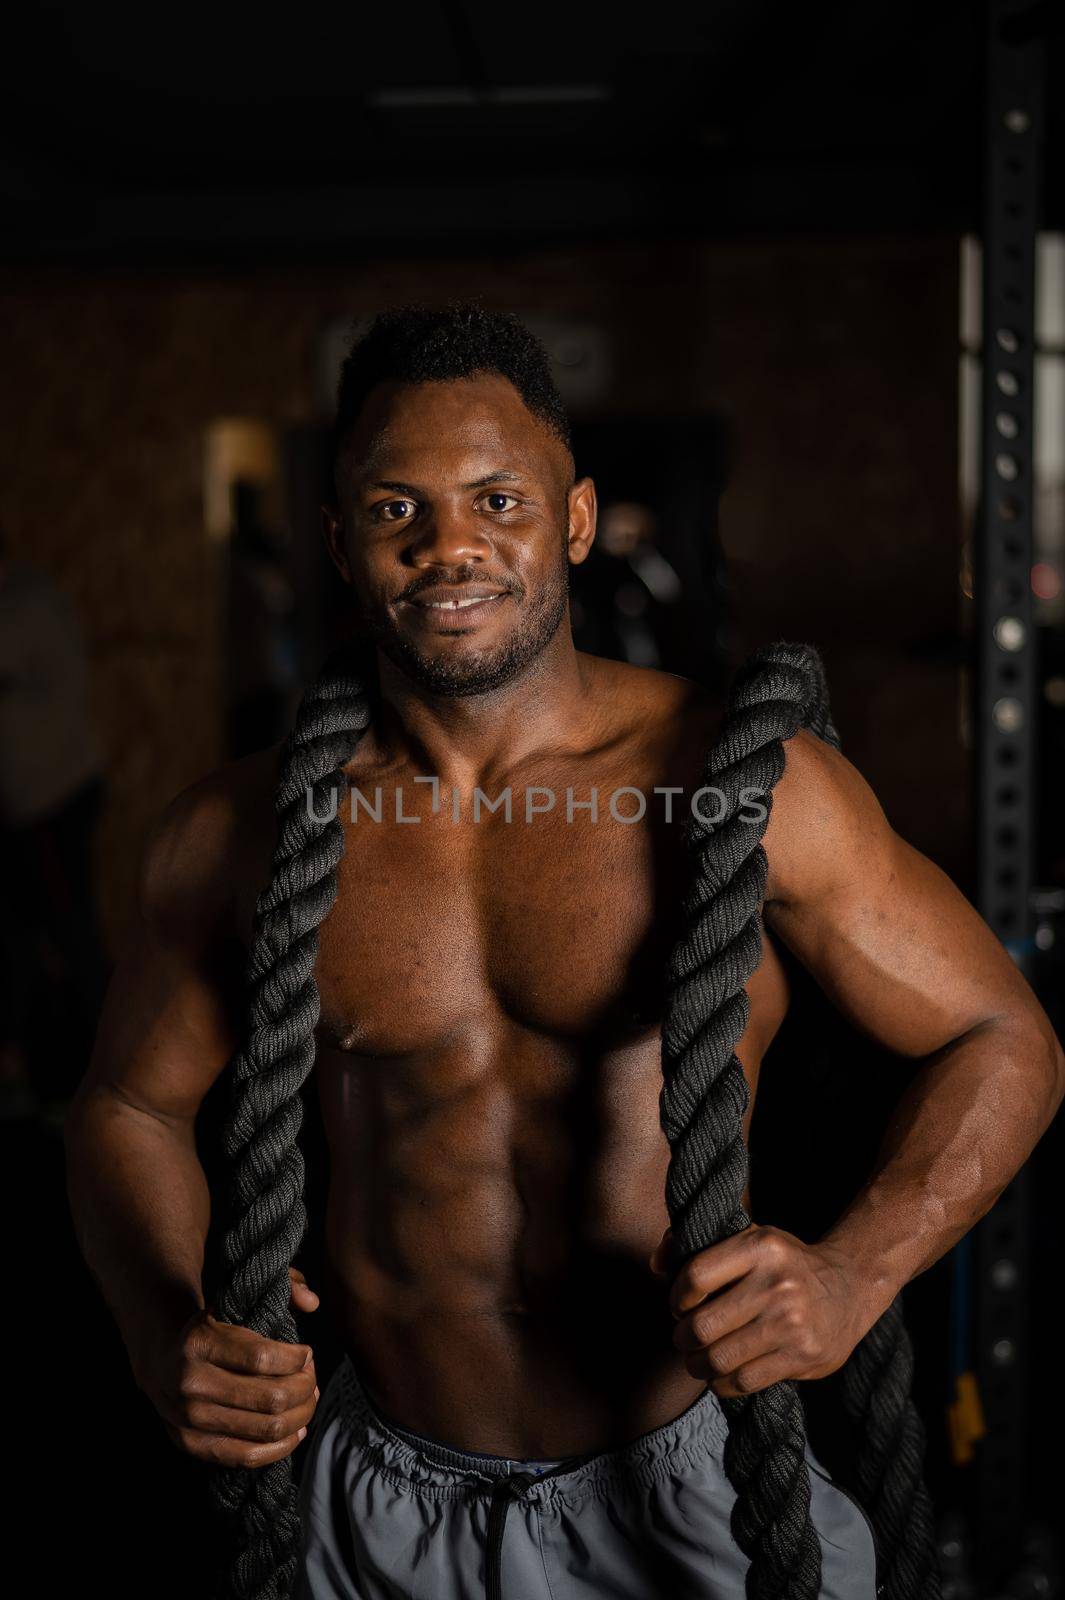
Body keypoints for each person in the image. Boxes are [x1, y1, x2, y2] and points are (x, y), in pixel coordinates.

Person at [65, 306, 1064, 1600]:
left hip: (685, 1487)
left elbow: (1003, 1040)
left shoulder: (748, 793)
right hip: (376, 1502)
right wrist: (160, 1336)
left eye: (498, 498)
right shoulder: (237, 834)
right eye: (394, 510)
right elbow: (125, 1108)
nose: (448, 548)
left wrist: (851, 1274)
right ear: (339, 541)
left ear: (575, 522)